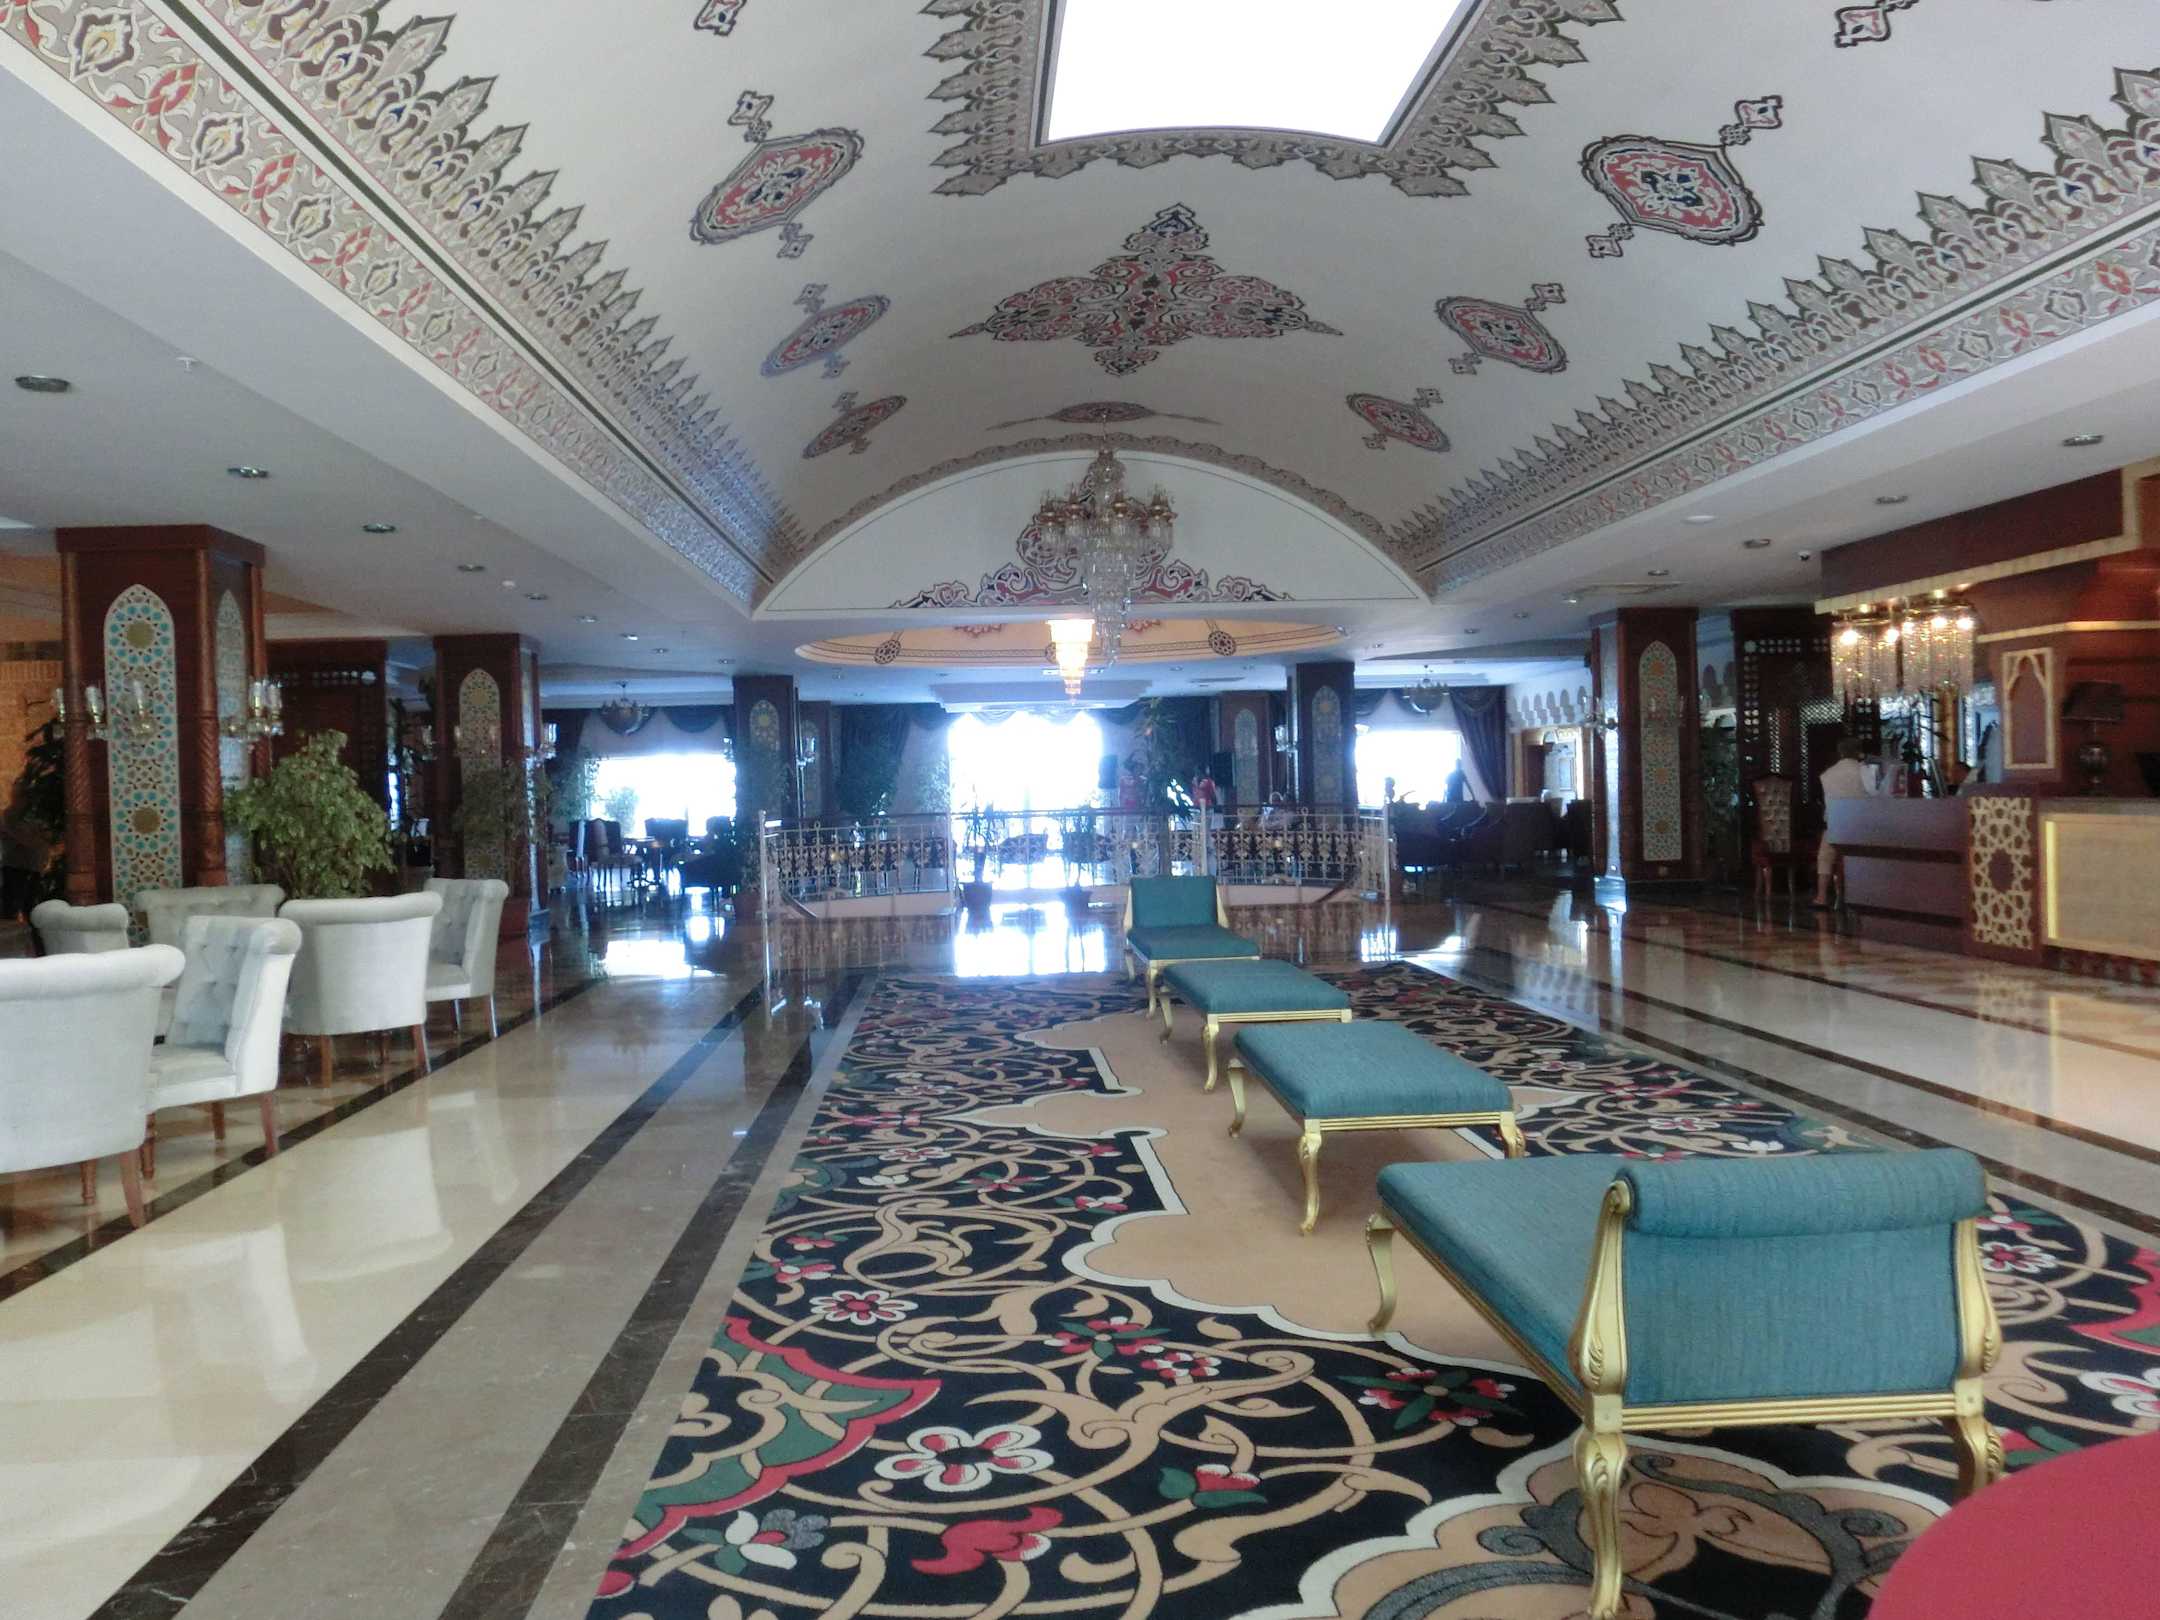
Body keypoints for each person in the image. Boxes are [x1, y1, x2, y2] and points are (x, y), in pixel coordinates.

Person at [1814, 739, 1880, 908]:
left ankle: (1821, 897)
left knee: (1825, 856)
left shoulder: (1827, 774)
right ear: (1859, 752)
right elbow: (1876, 797)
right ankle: (1864, 896)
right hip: (1860, 828)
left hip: (1835, 826)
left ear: (1840, 753)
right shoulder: (1865, 771)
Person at [1, 779, 51, 924]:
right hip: (12, 867)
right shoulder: (7, 814)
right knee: (9, 911)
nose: (15, 799)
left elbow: (40, 841)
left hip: (33, 868)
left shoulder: (37, 816)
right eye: (14, 794)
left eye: (20, 795)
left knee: (32, 911)